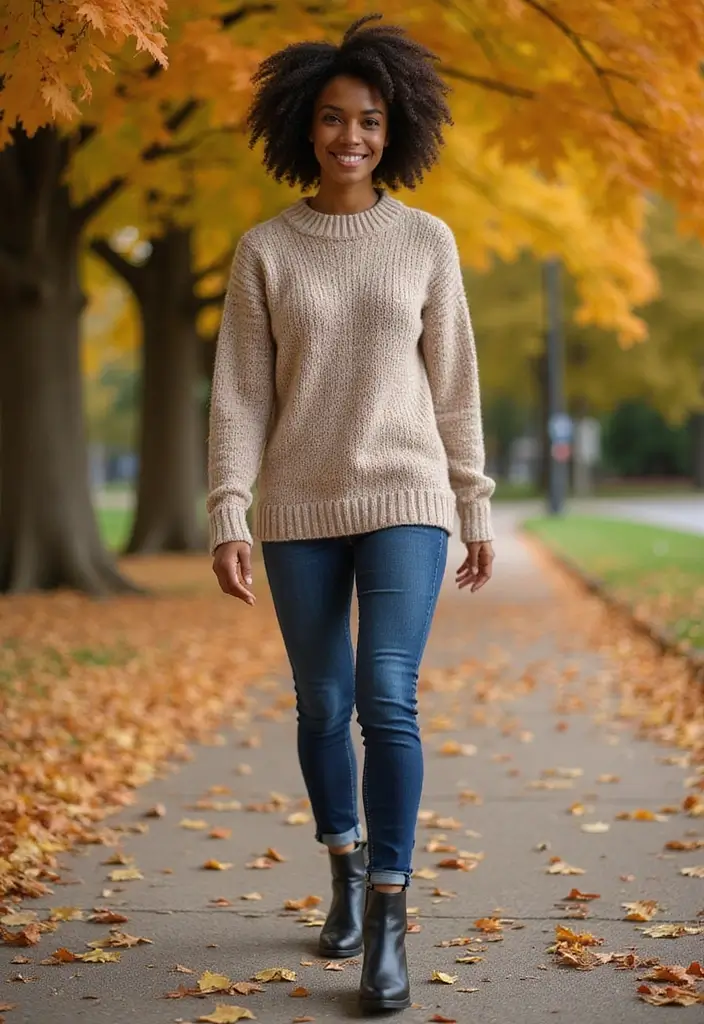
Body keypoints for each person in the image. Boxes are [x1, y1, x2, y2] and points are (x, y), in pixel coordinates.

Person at [207, 13, 495, 1014]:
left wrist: (474, 500)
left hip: (405, 497)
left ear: (394, 127)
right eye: (331, 119)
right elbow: (241, 395)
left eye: (368, 120)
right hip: (295, 505)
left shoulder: (425, 240)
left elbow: (452, 382)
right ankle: (340, 858)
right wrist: (227, 509)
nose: (349, 137)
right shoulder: (264, 250)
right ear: (302, 126)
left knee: (386, 693)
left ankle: (386, 912)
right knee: (322, 702)